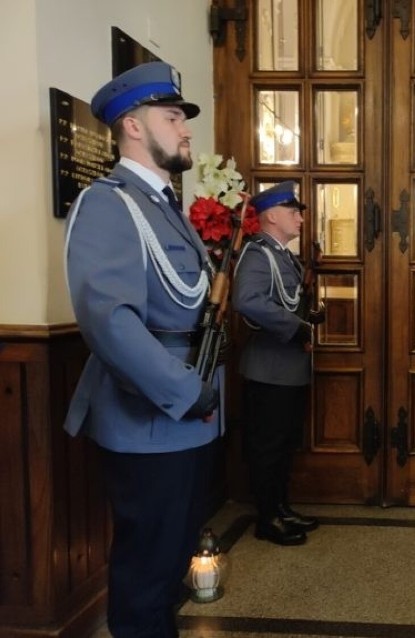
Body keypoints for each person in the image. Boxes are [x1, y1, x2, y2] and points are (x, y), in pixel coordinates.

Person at [63, 62, 223, 637]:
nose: (185, 129)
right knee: (145, 578)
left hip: (184, 420)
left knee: (166, 570)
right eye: (173, 116)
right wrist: (188, 390)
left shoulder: (161, 206)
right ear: (132, 124)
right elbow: (110, 322)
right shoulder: (109, 203)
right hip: (153, 421)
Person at [232, 181, 324, 546]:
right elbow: (247, 300)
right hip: (269, 370)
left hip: (287, 370)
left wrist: (308, 316)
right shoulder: (259, 254)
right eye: (293, 211)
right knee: (268, 447)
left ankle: (281, 508)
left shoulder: (284, 256)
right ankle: (268, 518)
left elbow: (288, 299)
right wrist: (297, 327)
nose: (300, 218)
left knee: (284, 445)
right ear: (271, 216)